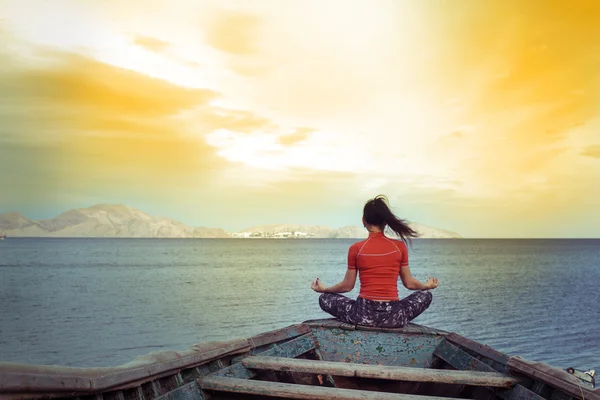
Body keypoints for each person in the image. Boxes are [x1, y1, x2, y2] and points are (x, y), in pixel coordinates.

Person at [311, 195, 439, 328]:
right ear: (385, 222)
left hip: (363, 315)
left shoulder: (356, 249)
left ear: (363, 221)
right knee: (425, 295)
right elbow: (409, 283)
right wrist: (426, 286)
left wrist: (325, 289)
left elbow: (347, 286)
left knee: (324, 298)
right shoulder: (399, 247)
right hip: (394, 317)